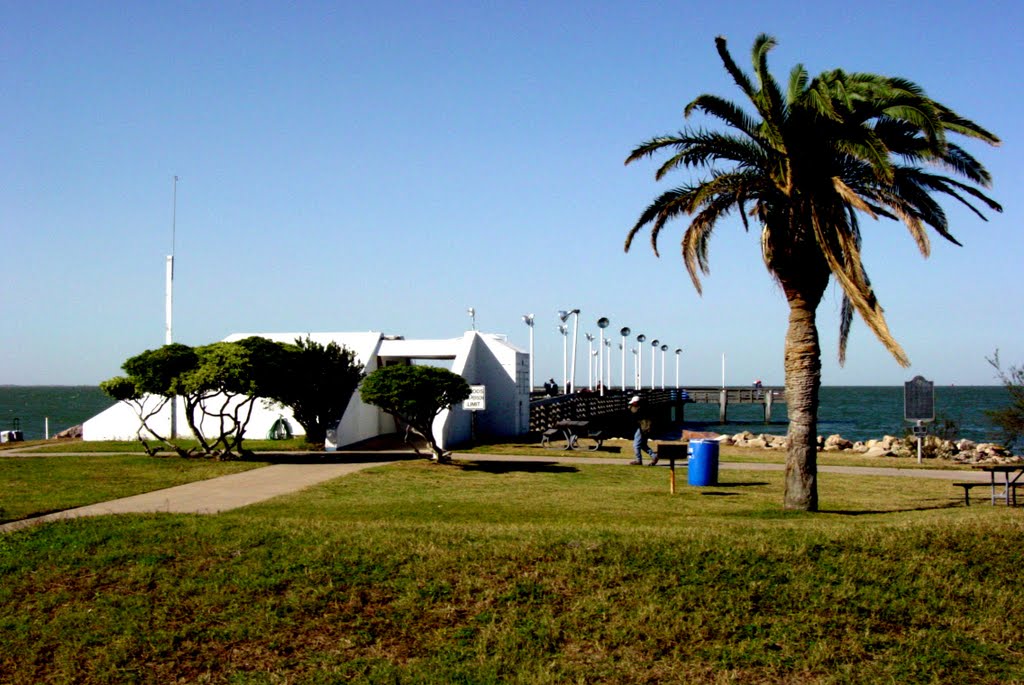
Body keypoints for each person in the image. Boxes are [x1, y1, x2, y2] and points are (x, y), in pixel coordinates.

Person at [628, 395, 657, 466]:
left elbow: (634, 411)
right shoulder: (644, 406)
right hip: (645, 427)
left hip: (643, 428)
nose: (632, 404)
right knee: (643, 445)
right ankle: (654, 456)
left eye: (633, 403)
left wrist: (630, 406)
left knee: (636, 445)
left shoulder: (639, 408)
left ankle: (638, 460)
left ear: (636, 402)